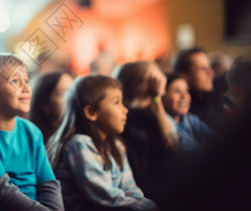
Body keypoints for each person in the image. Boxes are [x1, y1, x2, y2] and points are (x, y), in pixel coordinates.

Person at [0, 53, 64, 211]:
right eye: (15, 81)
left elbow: (47, 183)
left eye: (26, 81)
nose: (26, 88)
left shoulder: (32, 131)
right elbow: (1, 189)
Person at [47, 74, 157, 210]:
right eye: (116, 102)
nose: (125, 109)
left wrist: (144, 204)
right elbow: (102, 195)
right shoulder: (79, 144)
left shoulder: (116, 145)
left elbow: (129, 188)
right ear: (91, 112)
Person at [115, 61, 178, 203]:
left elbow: (172, 143)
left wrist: (157, 98)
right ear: (143, 84)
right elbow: (141, 176)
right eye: (155, 78)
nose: (162, 81)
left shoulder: (153, 113)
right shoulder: (130, 121)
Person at [173, 47, 226, 130]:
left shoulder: (214, 98)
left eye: (210, 67)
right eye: (203, 68)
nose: (210, 72)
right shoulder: (182, 109)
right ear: (183, 76)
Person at [162, 74, 214, 154]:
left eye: (186, 91)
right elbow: (197, 153)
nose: (184, 96)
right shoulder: (165, 125)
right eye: (177, 91)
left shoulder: (189, 119)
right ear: (162, 95)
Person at [29, 71, 73, 144]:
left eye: (73, 92)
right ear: (45, 103)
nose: (72, 98)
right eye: (64, 93)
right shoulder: (33, 142)